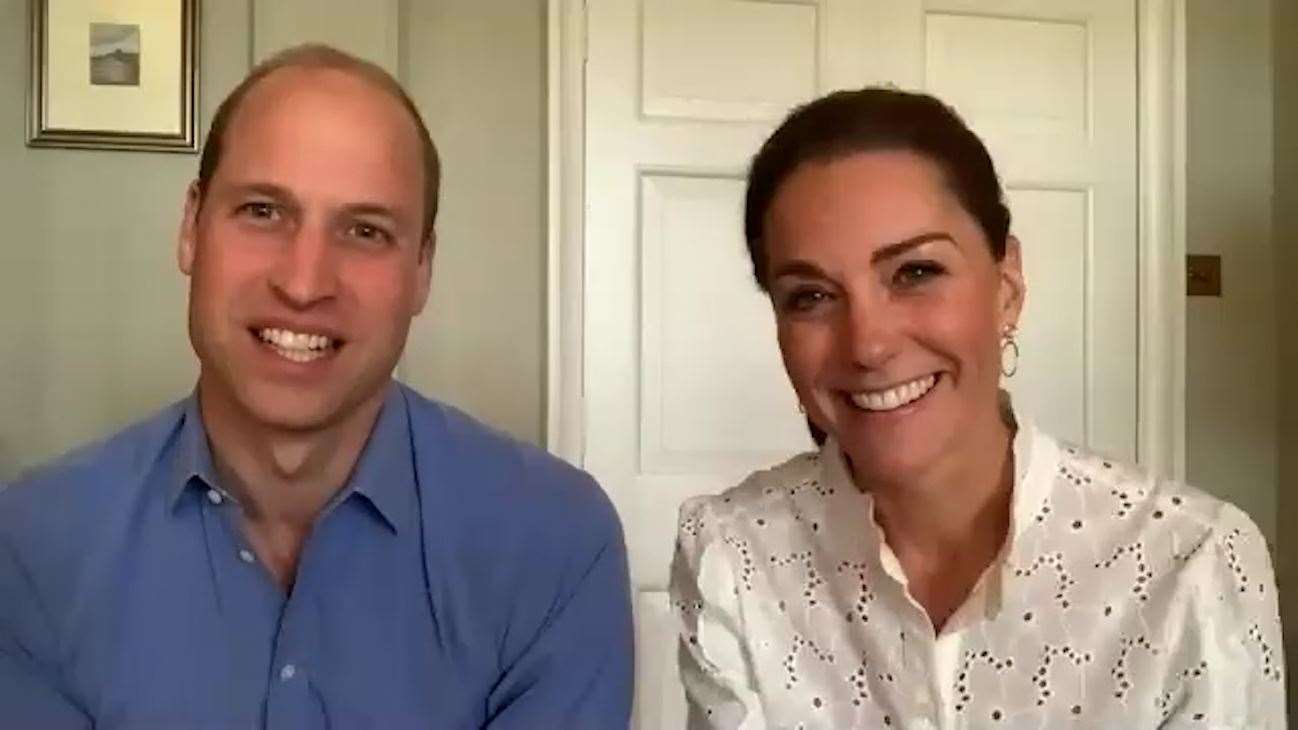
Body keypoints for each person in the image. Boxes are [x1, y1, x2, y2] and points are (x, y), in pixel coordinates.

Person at [0, 44, 633, 728]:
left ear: (423, 269)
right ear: (191, 227)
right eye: (263, 212)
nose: (303, 284)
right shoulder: (34, 548)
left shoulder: (554, 544)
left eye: (365, 230)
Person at [669, 88, 1285, 728]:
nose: (869, 344)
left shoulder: (1191, 563)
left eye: (914, 272)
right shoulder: (730, 556)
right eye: (811, 296)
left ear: (1007, 286)